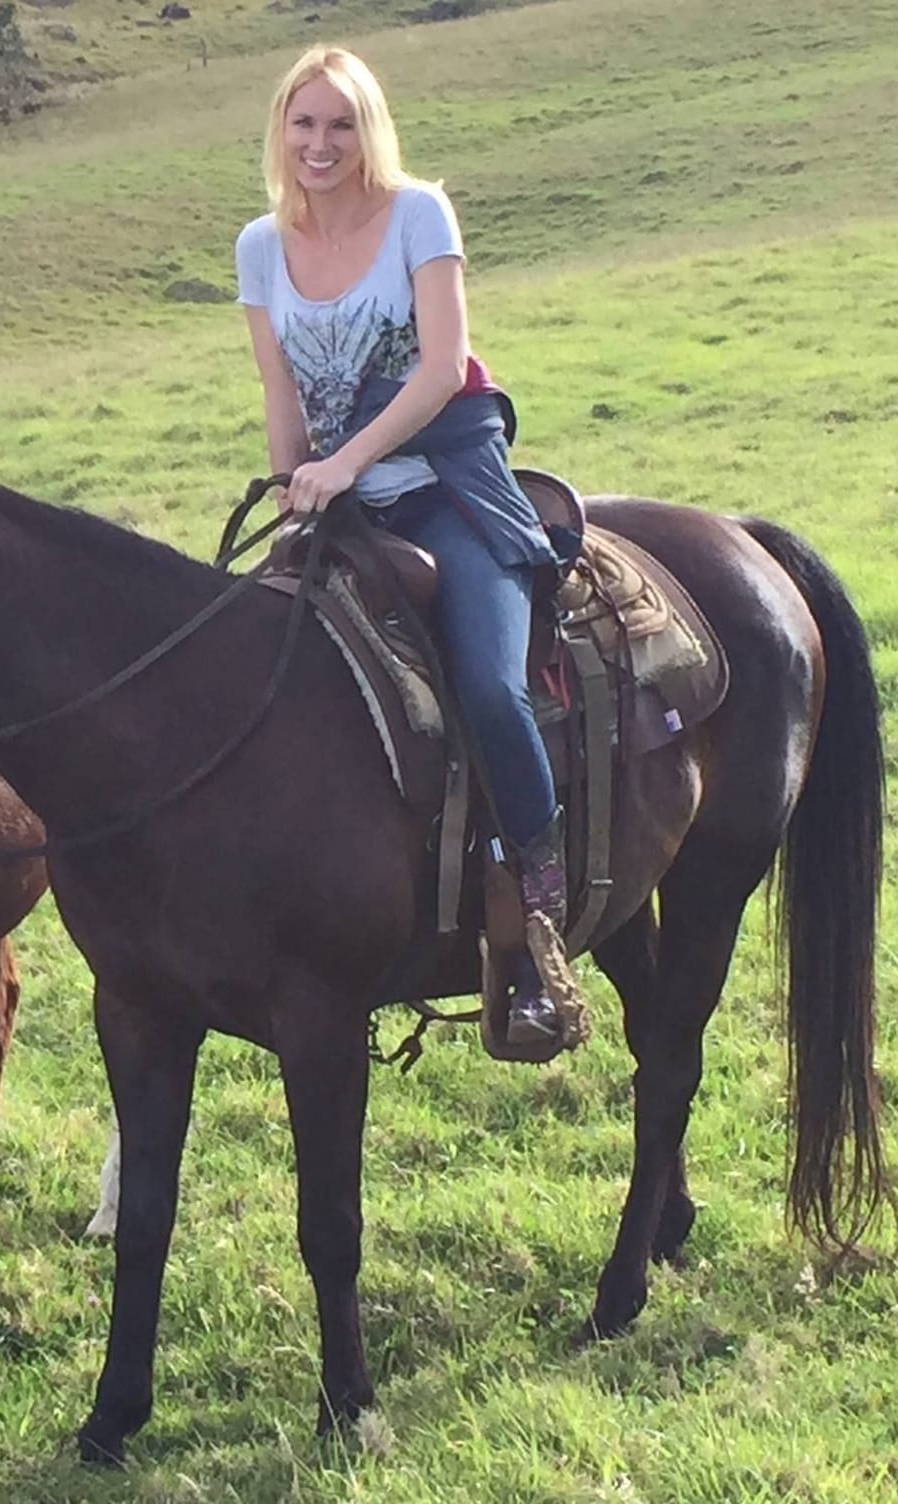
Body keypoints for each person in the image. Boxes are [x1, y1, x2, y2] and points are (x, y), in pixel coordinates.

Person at [237, 45, 571, 1045]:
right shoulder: (261, 244)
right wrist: (296, 491)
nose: (320, 144)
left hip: (442, 492)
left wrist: (348, 465)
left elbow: (439, 370)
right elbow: (282, 390)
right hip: (336, 503)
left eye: (341, 124)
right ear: (281, 133)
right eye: (304, 124)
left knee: (490, 685)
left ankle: (542, 896)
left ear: (370, 130)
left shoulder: (419, 213)